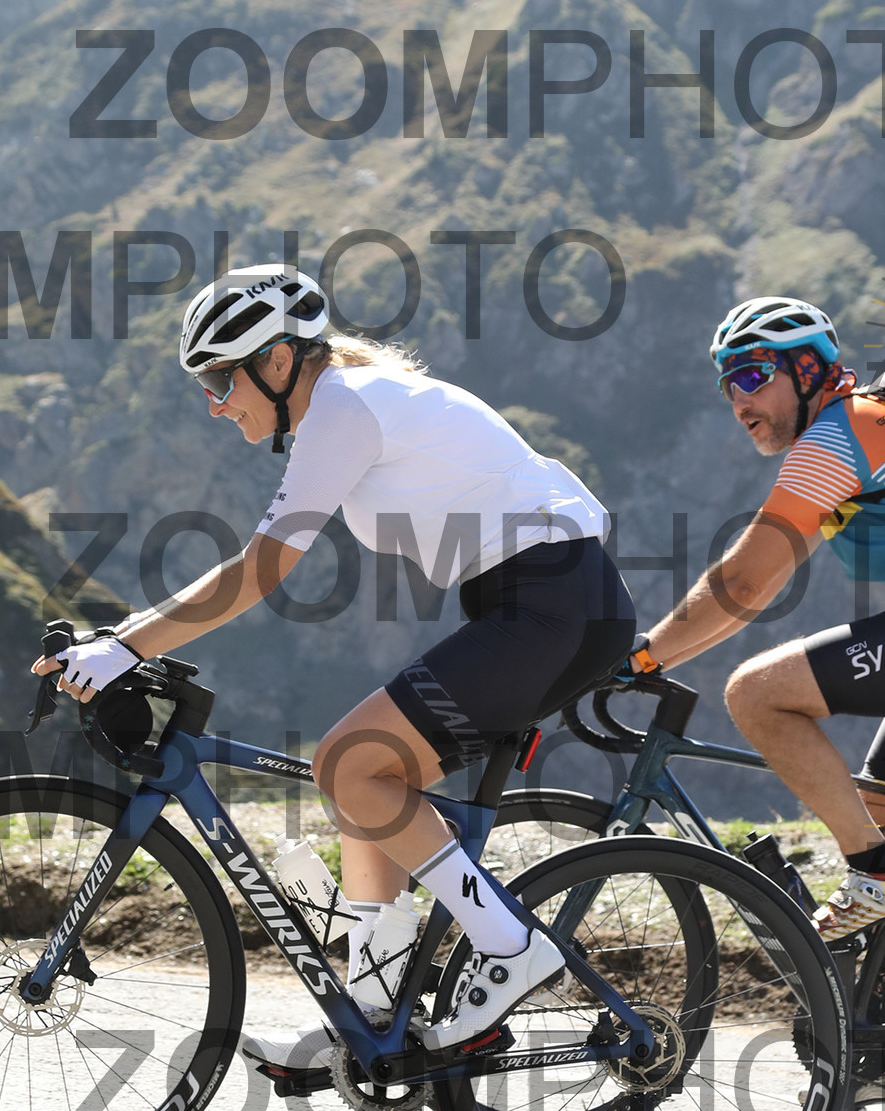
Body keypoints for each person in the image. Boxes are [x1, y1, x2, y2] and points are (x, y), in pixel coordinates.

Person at [34, 264, 636, 1066]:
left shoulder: (344, 405)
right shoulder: (354, 401)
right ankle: (372, 1018)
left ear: (279, 361)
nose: (215, 403)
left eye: (221, 379)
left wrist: (125, 647)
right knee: (366, 780)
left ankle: (509, 946)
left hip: (548, 603)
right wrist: (124, 637)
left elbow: (261, 568)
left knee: (350, 763)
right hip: (546, 603)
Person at [629, 295, 885, 939]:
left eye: (752, 376)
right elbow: (754, 592)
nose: (739, 400)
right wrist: (654, 660)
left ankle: (877, 878)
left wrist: (641, 655)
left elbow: (742, 580)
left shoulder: (840, 435)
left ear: (807, 371)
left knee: (756, 694)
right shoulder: (857, 429)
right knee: (884, 835)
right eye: (727, 384)